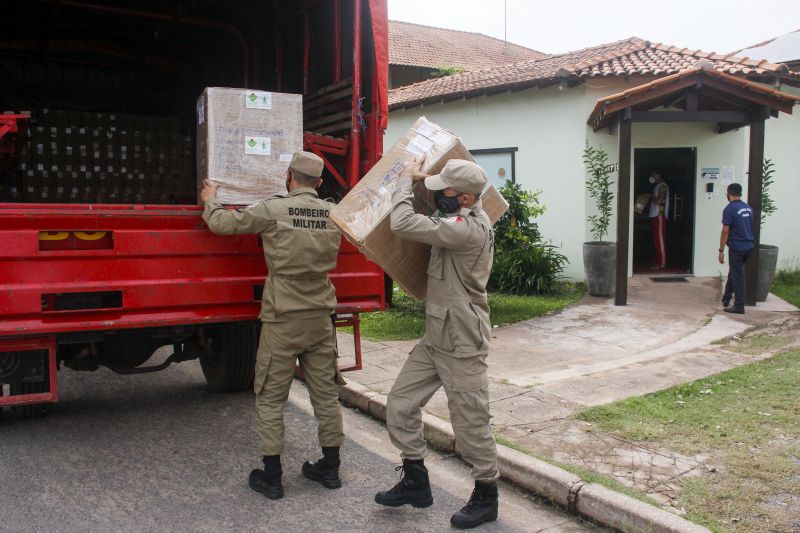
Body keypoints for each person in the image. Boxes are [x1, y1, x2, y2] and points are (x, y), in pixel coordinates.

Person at [200, 151, 345, 500]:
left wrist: (210, 201)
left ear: (288, 176)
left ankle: (273, 477)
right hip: (320, 318)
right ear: (320, 183)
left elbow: (223, 225)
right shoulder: (332, 213)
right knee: (325, 395)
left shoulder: (274, 209)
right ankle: (331, 469)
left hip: (283, 319)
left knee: (270, 397)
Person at [375, 158, 499, 529]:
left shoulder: (466, 229)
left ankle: (486, 495)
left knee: (470, 422)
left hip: (462, 339)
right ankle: (415, 481)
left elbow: (401, 223)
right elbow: (437, 200)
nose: (435, 193)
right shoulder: (458, 218)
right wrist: (423, 177)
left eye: (443, 189)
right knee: (400, 403)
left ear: (463, 198)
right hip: (437, 335)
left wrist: (402, 184)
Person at [719, 182, 755, 314]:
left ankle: (739, 305)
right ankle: (726, 298)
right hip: (749, 247)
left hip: (737, 248)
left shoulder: (729, 209)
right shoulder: (748, 208)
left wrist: (721, 250)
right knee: (734, 272)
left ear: (729, 193)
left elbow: (725, 231)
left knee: (737, 275)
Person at [648, 171, 669, 269]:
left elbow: (659, 201)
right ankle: (657, 262)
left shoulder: (662, 187)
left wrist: (650, 196)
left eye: (653, 174)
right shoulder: (658, 186)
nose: (652, 177)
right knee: (656, 240)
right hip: (655, 216)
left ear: (659, 175)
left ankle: (661, 263)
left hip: (659, 216)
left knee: (659, 240)